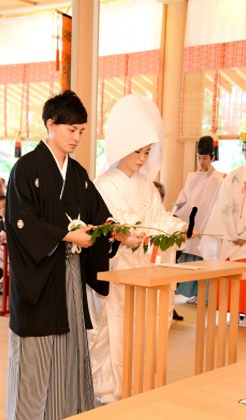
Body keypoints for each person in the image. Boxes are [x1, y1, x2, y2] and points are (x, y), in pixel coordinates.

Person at [5, 90, 119, 420]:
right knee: (36, 357)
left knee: (69, 350)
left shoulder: (78, 174)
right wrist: (67, 235)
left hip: (68, 276)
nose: (77, 138)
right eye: (72, 130)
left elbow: (99, 213)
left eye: (82, 131)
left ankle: (65, 413)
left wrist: (119, 231)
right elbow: (21, 220)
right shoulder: (26, 170)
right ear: (51, 124)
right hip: (38, 279)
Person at [87, 94, 194, 405]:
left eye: (148, 152)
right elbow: (101, 227)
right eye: (137, 151)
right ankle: (108, 387)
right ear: (121, 148)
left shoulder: (147, 186)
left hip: (144, 269)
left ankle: (138, 380)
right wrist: (121, 235)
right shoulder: (101, 186)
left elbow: (158, 219)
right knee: (114, 329)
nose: (143, 159)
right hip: (117, 270)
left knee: (141, 329)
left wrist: (178, 228)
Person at [199, 132, 246, 328]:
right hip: (232, 234)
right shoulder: (234, 175)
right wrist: (234, 233)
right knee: (229, 275)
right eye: (244, 149)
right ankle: (229, 312)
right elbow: (224, 205)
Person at [172, 136, 225, 304]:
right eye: (199, 157)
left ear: (212, 158)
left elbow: (215, 203)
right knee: (192, 260)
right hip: (192, 222)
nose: (201, 161)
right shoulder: (192, 177)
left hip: (207, 224)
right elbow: (184, 197)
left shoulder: (219, 179)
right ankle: (196, 293)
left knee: (205, 259)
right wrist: (178, 209)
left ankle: (208, 295)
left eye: (205, 158)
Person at [153, 180, 184, 321]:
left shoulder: (171, 219)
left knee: (164, 308)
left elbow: (179, 246)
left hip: (164, 266)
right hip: (146, 267)